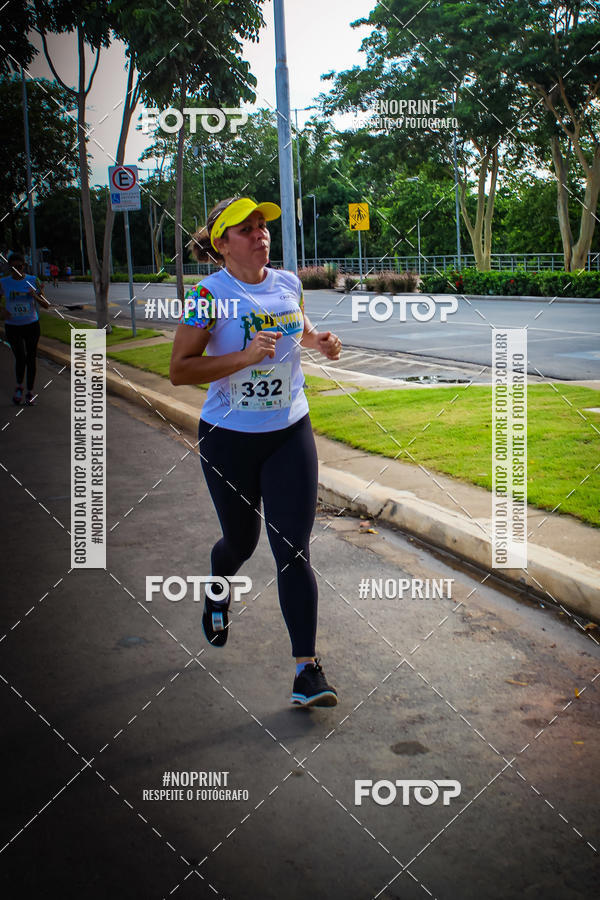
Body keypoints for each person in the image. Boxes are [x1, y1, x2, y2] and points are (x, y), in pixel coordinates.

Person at [170, 196, 343, 708]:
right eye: (245, 229)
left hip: (290, 430)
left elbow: (300, 332)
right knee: (239, 544)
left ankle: (306, 672)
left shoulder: (288, 283)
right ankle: (218, 584)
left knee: (292, 548)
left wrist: (320, 343)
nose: (260, 234)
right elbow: (180, 369)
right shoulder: (208, 294)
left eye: (263, 225)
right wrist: (243, 358)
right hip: (229, 439)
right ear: (222, 243)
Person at [0, 253, 51, 405]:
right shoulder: (3, 282)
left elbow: (46, 304)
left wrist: (34, 296)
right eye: (14, 267)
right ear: (10, 267)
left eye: (20, 267)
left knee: (31, 358)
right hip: (13, 326)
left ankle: (29, 391)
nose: (17, 270)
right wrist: (2, 310)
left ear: (24, 266)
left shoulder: (33, 280)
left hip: (31, 325)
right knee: (20, 357)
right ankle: (19, 387)